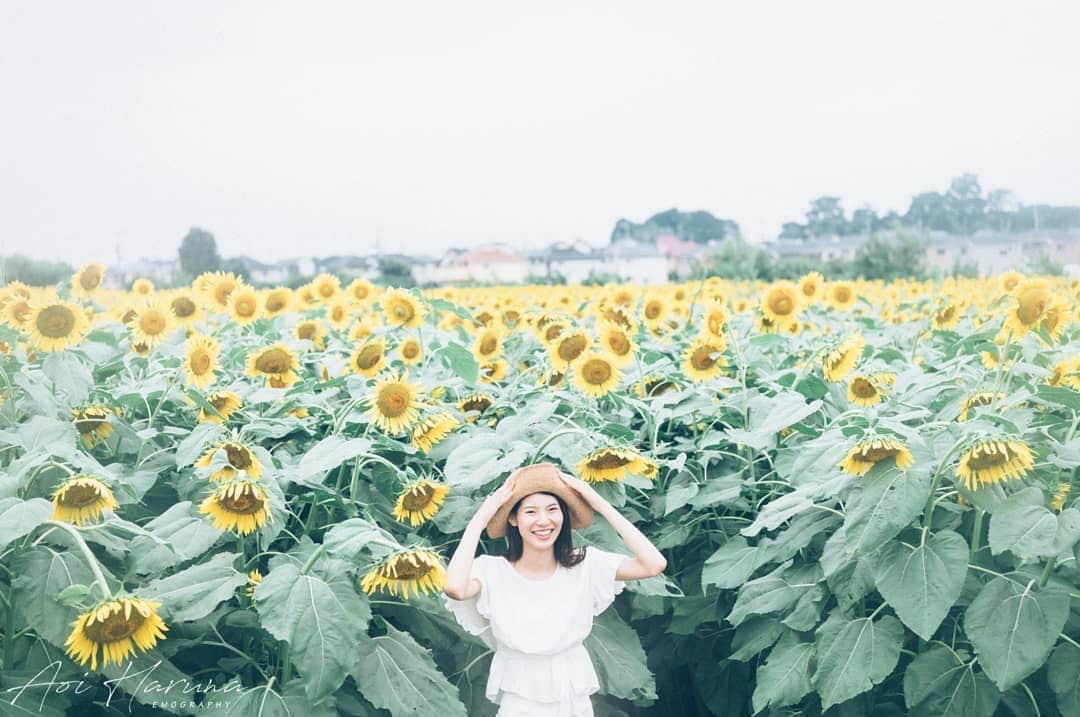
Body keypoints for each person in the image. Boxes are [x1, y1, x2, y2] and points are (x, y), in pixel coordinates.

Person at [443, 462, 667, 716]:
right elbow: (455, 588)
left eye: (553, 509)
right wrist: (481, 518)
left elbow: (654, 564)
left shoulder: (585, 565)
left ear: (564, 516)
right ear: (513, 519)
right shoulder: (493, 571)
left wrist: (599, 503)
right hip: (521, 695)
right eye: (530, 512)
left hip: (572, 691)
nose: (543, 521)